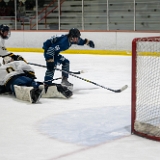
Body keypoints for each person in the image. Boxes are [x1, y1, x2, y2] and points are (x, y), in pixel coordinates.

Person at [0, 56, 73, 101]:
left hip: (13, 81)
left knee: (20, 88)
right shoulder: (18, 62)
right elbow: (30, 71)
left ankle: (31, 92)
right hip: (25, 77)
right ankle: (53, 88)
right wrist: (30, 76)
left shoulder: (1, 69)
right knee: (37, 84)